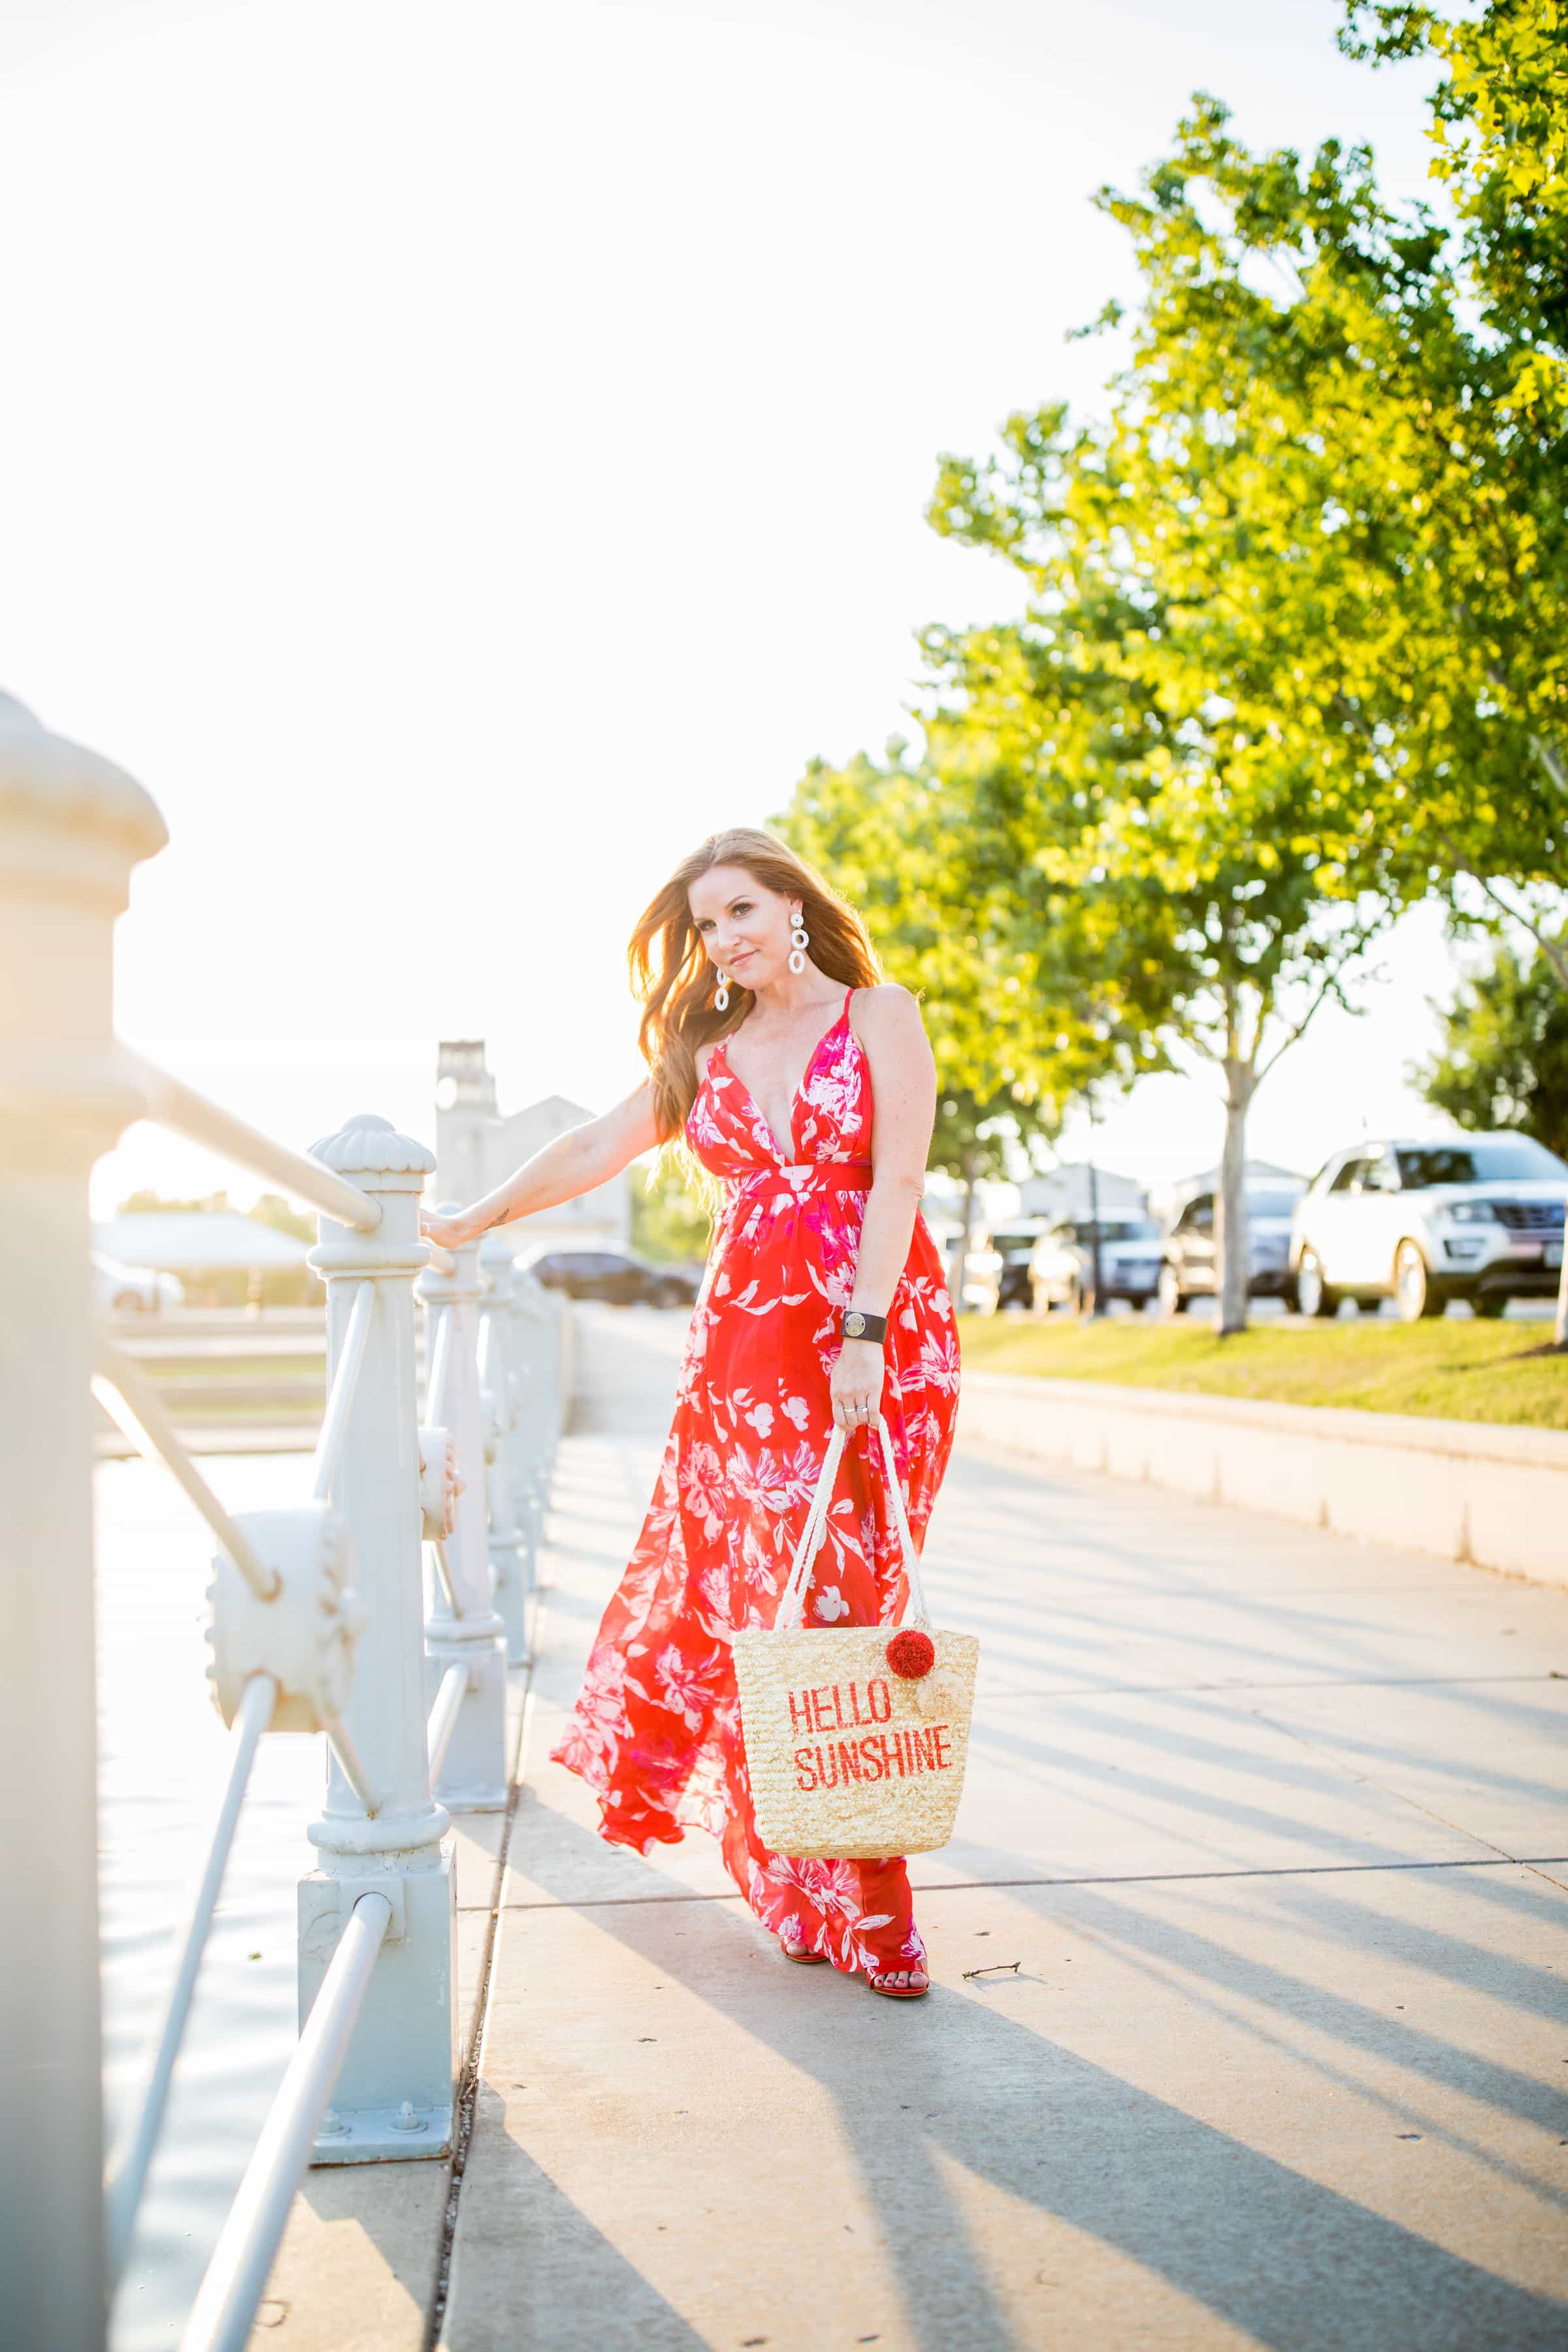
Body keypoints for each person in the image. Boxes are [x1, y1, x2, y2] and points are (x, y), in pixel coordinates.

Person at [421, 827, 960, 1998]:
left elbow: (900, 1181)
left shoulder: (881, 1018)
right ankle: (812, 1885)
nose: (724, 939)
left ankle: (866, 1902)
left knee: (848, 1598)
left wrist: (863, 1337)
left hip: (870, 1328)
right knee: (772, 1609)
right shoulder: (705, 1048)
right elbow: (592, 1147)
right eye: (708, 923)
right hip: (743, 1356)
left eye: (742, 912)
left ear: (796, 908)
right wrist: (475, 1219)